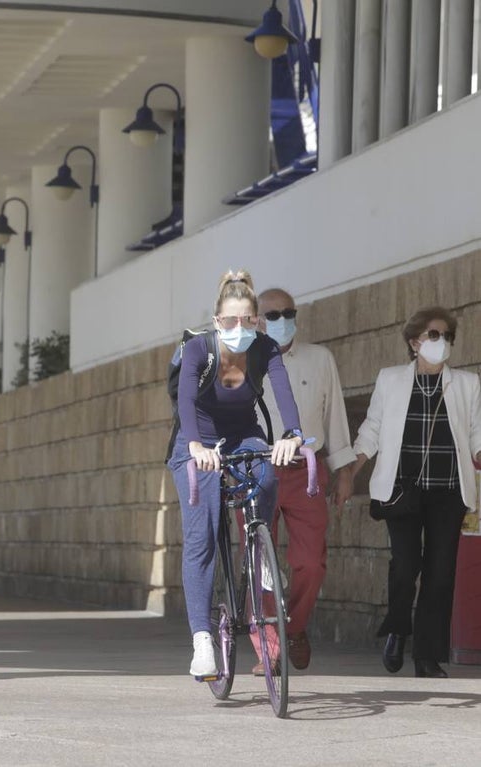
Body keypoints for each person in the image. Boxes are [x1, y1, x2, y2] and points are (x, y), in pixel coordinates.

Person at [167, 271, 303, 678]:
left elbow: (282, 390)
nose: (239, 328)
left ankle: (259, 553)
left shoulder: (265, 348)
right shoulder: (197, 348)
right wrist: (195, 447)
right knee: (202, 532)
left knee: (267, 474)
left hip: (243, 433)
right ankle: (203, 641)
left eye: (248, 320)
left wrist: (292, 435)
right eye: (230, 320)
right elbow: (186, 401)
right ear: (216, 320)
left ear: (258, 320)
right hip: (196, 440)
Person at [350, 306, 481, 679]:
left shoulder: (468, 384)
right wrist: (351, 469)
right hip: (402, 489)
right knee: (406, 567)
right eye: (434, 335)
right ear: (414, 342)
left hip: (448, 491)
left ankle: (427, 656)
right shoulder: (390, 380)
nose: (442, 343)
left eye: (447, 337)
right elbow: (372, 428)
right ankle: (396, 628)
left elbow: (476, 432)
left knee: (440, 575)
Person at [253, 288, 356, 674]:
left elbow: (335, 418)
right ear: (258, 319)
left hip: (305, 470)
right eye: (272, 314)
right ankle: (269, 649)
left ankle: (293, 628)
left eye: (288, 312)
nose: (282, 320)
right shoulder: (244, 360)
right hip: (257, 469)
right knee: (259, 561)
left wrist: (344, 470)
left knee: (310, 563)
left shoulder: (320, 359)